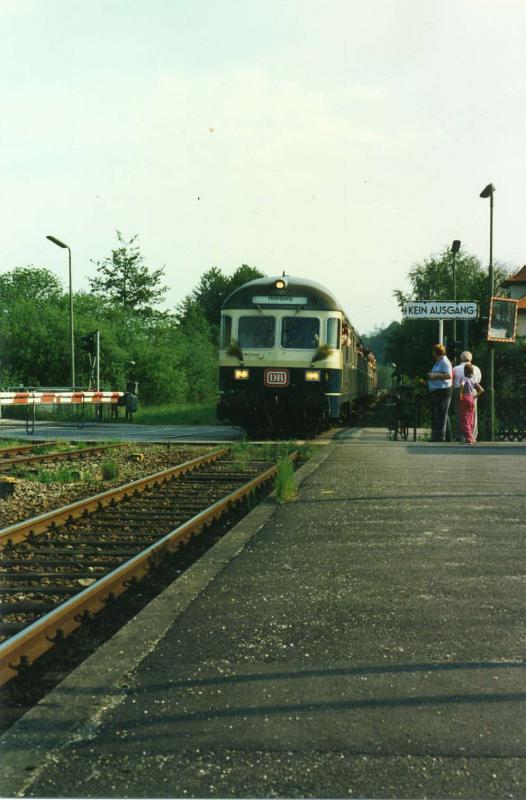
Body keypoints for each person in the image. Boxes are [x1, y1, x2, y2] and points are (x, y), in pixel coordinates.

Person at [452, 351, 482, 440]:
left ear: (461, 358)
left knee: (460, 414)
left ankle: (461, 435)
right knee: (472, 415)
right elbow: (478, 381)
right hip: (472, 391)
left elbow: (453, 380)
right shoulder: (476, 368)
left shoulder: (456, 368)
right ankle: (472, 436)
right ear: (471, 359)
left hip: (460, 391)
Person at [428, 344, 453, 442]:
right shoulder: (439, 362)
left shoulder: (445, 362)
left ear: (436, 352)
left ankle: (440, 436)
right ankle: (442, 436)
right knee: (440, 413)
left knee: (441, 413)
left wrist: (435, 376)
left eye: (433, 351)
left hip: (444, 390)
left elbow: (448, 375)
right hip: (438, 390)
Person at [458, 363, 484, 444]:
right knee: (470, 418)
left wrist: (460, 393)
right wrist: (475, 396)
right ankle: (472, 437)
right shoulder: (473, 380)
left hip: (465, 397)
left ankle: (469, 438)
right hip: (472, 398)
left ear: (465, 371)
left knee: (464, 418)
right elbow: (481, 390)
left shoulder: (464, 378)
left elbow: (462, 385)